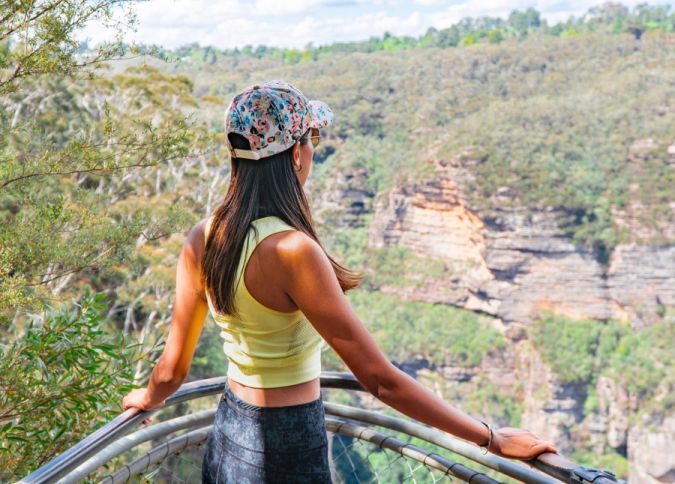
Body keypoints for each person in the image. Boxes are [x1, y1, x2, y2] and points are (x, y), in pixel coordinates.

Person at [122, 80, 557, 483]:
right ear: (295, 154)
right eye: (311, 139)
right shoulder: (293, 251)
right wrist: (489, 437)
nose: (312, 151)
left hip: (228, 431)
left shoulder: (204, 236)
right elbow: (380, 380)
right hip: (288, 441)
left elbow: (173, 369)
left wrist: (149, 397)